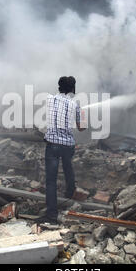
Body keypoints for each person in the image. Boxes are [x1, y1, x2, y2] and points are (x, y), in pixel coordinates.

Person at [38, 76, 86, 224]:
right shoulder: (75, 105)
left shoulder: (49, 99)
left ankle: (52, 215)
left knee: (51, 181)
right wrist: (82, 113)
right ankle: (70, 193)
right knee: (67, 167)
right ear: (72, 89)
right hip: (67, 145)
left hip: (52, 145)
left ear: (59, 87)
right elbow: (82, 127)